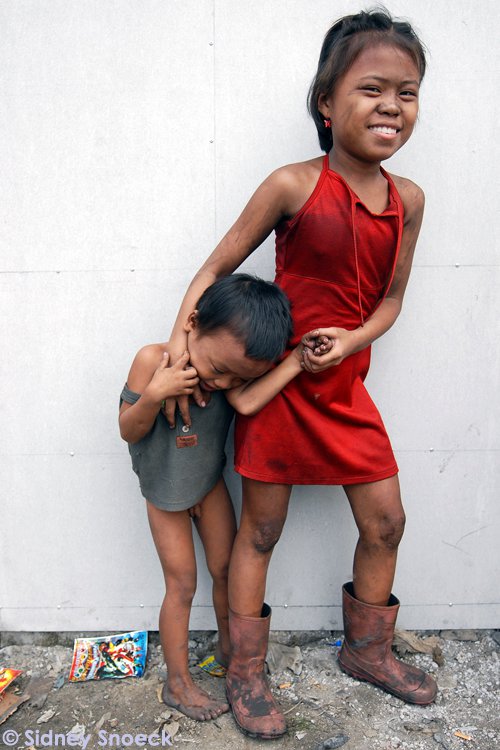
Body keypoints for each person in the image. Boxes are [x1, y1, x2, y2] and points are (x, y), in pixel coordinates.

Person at [165, 9, 437, 739]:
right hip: (278, 392)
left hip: (343, 390)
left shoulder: (408, 201)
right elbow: (212, 269)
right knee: (260, 532)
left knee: (387, 521)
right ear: (325, 102)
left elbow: (392, 301)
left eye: (406, 92)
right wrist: (180, 349)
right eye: (371, 88)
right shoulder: (292, 184)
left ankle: (367, 651)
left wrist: (352, 340)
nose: (390, 106)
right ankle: (245, 671)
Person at [119, 273, 310, 722]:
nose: (222, 382)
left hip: (207, 485)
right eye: (219, 370)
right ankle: (177, 683)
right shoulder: (152, 360)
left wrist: (297, 362)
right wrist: (155, 394)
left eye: (236, 377)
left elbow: (246, 401)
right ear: (192, 323)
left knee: (226, 569)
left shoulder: (230, 375)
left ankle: (231, 654)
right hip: (165, 494)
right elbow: (128, 429)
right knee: (182, 585)